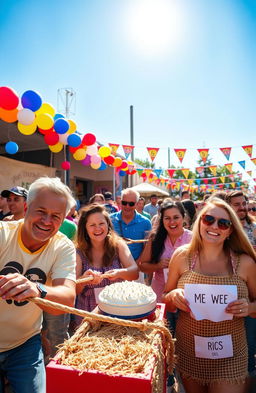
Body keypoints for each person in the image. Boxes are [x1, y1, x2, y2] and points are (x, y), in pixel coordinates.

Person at [163, 198, 256, 393]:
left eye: (223, 223)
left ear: (230, 230)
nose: (215, 226)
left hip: (231, 357)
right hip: (190, 352)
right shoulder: (181, 256)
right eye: (209, 219)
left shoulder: (245, 263)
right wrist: (173, 296)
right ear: (200, 222)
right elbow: (166, 301)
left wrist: (249, 308)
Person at [0, 177, 77, 393]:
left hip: (25, 344)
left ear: (62, 221)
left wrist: (37, 289)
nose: (46, 221)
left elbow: (67, 299)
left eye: (55, 216)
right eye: (41, 211)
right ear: (26, 208)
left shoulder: (63, 247)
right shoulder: (3, 234)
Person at [74, 204, 138, 327]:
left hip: (116, 309)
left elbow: (134, 272)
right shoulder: (78, 252)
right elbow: (74, 289)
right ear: (85, 229)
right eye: (92, 225)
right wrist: (84, 280)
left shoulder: (118, 245)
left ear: (108, 225)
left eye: (101, 223)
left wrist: (119, 273)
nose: (98, 228)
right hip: (88, 314)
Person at [226, 190, 256, 381]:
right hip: (231, 292)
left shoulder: (254, 228)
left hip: (253, 290)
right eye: (237, 204)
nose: (242, 207)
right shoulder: (224, 228)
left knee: (251, 336)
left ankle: (249, 375)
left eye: (243, 203)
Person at [110, 188, 152, 261]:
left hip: (137, 268)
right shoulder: (109, 219)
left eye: (131, 204)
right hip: (114, 267)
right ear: (121, 202)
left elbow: (147, 248)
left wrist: (136, 266)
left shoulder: (146, 222)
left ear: (136, 204)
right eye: (124, 203)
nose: (127, 206)